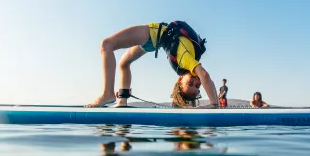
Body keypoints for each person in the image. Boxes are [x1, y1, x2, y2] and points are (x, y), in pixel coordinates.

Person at [86, 21, 218, 108]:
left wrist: (212, 103)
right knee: (123, 63)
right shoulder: (188, 63)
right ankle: (119, 99)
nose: (196, 80)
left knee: (106, 45)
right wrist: (214, 103)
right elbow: (206, 78)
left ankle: (109, 94)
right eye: (197, 85)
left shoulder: (185, 62)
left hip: (152, 36)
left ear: (180, 79)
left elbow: (205, 77)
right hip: (155, 39)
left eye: (191, 85)